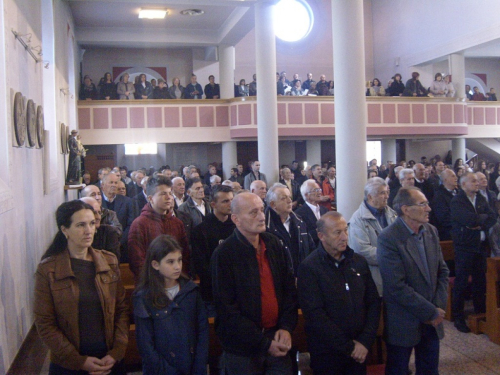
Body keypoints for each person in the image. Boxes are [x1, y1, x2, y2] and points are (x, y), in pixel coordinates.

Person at [34, 200, 129, 374]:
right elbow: (45, 323)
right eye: (80, 225)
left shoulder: (109, 261)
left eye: (92, 223)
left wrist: (117, 351)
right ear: (64, 230)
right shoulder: (48, 270)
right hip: (69, 363)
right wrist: (78, 361)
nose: (89, 230)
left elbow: (121, 309)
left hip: (108, 357)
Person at [211, 192, 298, 374]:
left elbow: (289, 290)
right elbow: (227, 309)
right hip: (243, 349)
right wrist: (264, 344)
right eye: (253, 213)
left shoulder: (274, 244)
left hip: (277, 337)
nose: (260, 216)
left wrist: (286, 327)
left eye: (261, 210)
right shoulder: (224, 254)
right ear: (236, 219)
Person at [298, 212, 381, 375]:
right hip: (328, 353)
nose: (344, 237)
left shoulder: (358, 262)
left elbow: (373, 302)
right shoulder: (309, 268)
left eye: (345, 231)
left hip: (360, 348)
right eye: (337, 232)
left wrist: (364, 341)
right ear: (321, 236)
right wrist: (350, 347)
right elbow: (315, 315)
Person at [378, 187, 449, 375]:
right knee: (398, 369)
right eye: (423, 204)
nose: (429, 209)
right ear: (405, 209)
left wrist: (438, 308)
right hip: (404, 320)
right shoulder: (389, 237)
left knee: (429, 369)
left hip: (432, 319)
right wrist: (430, 311)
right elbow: (396, 286)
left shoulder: (431, 231)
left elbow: (442, 271)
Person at [133, 235, 209, 375]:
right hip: (160, 369)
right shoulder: (144, 297)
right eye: (170, 262)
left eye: (179, 260)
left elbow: (202, 331)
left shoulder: (191, 291)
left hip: (191, 365)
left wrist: (199, 366)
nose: (177, 266)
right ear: (155, 265)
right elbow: (146, 346)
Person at [450, 172, 496, 332]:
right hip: (465, 247)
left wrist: (480, 224)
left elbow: (493, 216)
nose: (477, 183)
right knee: (461, 283)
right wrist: (477, 220)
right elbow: (468, 219)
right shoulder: (457, 201)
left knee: (480, 281)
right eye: (473, 181)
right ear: (463, 185)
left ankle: (480, 312)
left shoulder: (481, 199)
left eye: (478, 181)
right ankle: (458, 317)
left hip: (481, 246)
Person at [128, 176, 189, 281]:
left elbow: (185, 254)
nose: (169, 197)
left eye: (170, 193)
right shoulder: (139, 224)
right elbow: (137, 261)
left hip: (175, 281)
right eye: (163, 194)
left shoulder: (177, 223)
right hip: (151, 284)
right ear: (150, 198)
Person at [348, 177, 397, 296]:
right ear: (370, 197)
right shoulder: (358, 220)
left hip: (395, 276)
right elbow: (362, 251)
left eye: (387, 192)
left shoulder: (392, 213)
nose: (386, 196)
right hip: (373, 279)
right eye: (382, 193)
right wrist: (392, 255)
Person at [191, 185, 235, 314]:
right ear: (213, 204)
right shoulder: (200, 230)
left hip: (236, 292)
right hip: (213, 293)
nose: (230, 204)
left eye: (232, 200)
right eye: (225, 201)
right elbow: (202, 265)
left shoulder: (238, 227)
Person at [265, 183, 314, 276]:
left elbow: (311, 248)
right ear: (273, 204)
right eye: (283, 198)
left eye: (289, 197)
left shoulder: (299, 221)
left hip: (303, 275)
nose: (289, 201)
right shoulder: (266, 227)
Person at [295, 179, 329, 247]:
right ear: (307, 195)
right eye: (316, 190)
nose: (319, 192)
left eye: (320, 190)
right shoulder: (299, 213)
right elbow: (302, 235)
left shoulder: (325, 210)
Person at [431, 169, 458, 241]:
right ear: (445, 179)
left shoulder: (460, 193)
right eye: (453, 176)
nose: (456, 178)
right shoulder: (439, 197)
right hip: (449, 233)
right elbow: (443, 218)